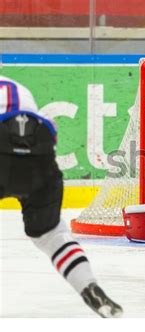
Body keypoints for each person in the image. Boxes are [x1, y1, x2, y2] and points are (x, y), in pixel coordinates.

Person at [0, 75, 123, 318]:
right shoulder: (19, 87)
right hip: (40, 163)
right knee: (51, 235)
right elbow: (48, 132)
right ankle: (88, 286)